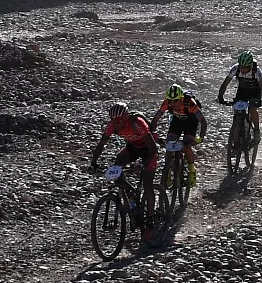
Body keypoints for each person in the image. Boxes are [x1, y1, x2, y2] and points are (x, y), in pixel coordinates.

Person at [89, 101, 160, 237]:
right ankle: (131, 195)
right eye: (114, 120)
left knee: (148, 184)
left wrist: (145, 163)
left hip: (148, 149)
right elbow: (101, 145)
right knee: (117, 165)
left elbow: (153, 147)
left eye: (119, 120)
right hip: (132, 148)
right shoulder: (113, 126)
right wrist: (93, 163)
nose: (117, 123)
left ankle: (151, 220)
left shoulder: (137, 123)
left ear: (126, 117)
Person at [150, 83, 209, 186]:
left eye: (176, 100)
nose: (173, 103)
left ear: (181, 98)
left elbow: (203, 121)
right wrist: (152, 132)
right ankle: (167, 172)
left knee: (186, 146)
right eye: (171, 100)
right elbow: (156, 119)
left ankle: (192, 171)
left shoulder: (190, 103)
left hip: (191, 122)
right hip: (177, 121)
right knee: (169, 147)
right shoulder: (167, 103)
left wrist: (201, 137)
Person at [216, 51, 262, 142]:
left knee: (252, 109)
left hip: (255, 92)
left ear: (251, 66)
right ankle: (236, 135)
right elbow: (225, 84)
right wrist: (220, 97)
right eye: (241, 67)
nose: (243, 70)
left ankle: (256, 131)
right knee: (237, 111)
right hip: (242, 91)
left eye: (245, 68)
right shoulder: (235, 69)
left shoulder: (257, 71)